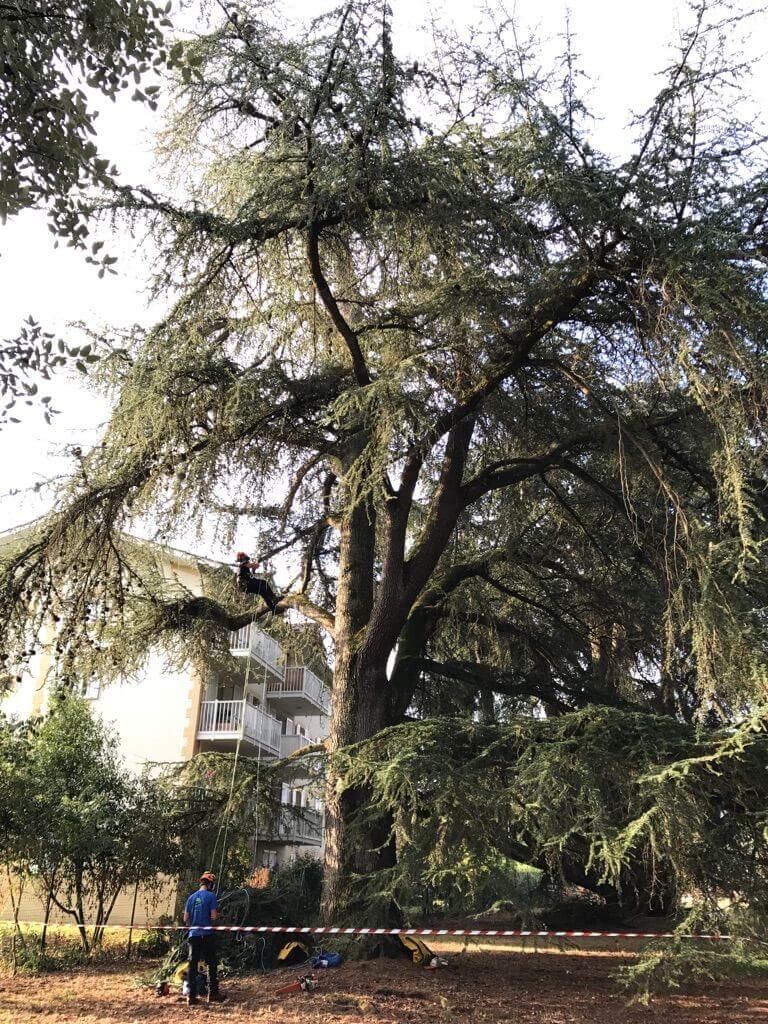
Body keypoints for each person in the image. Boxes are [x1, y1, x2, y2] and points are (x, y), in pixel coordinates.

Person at [183, 871, 225, 1005]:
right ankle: (212, 993)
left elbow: (186, 919)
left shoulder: (191, 897)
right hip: (207, 935)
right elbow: (213, 917)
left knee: (192, 964)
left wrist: (194, 925)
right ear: (211, 884)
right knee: (211, 963)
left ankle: (191, 996)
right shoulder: (211, 896)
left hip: (193, 935)